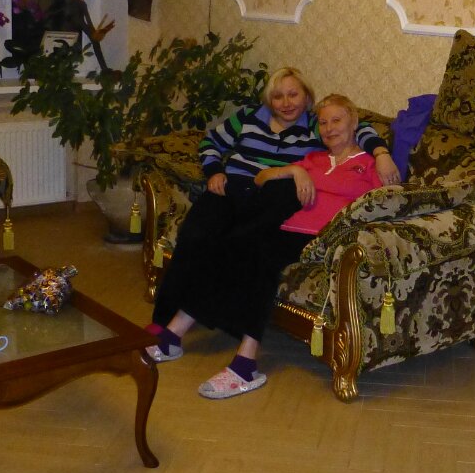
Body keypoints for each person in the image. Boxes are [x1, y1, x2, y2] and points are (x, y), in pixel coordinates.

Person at [147, 80, 396, 398]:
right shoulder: (315, 158)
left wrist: (383, 155)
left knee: (260, 259)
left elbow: (389, 201)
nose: (329, 128)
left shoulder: (369, 164)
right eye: (323, 122)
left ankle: (245, 365)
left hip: (318, 239)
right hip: (283, 226)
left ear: (354, 123)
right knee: (231, 247)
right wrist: (295, 172)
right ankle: (173, 334)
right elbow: (262, 177)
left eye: (337, 121)